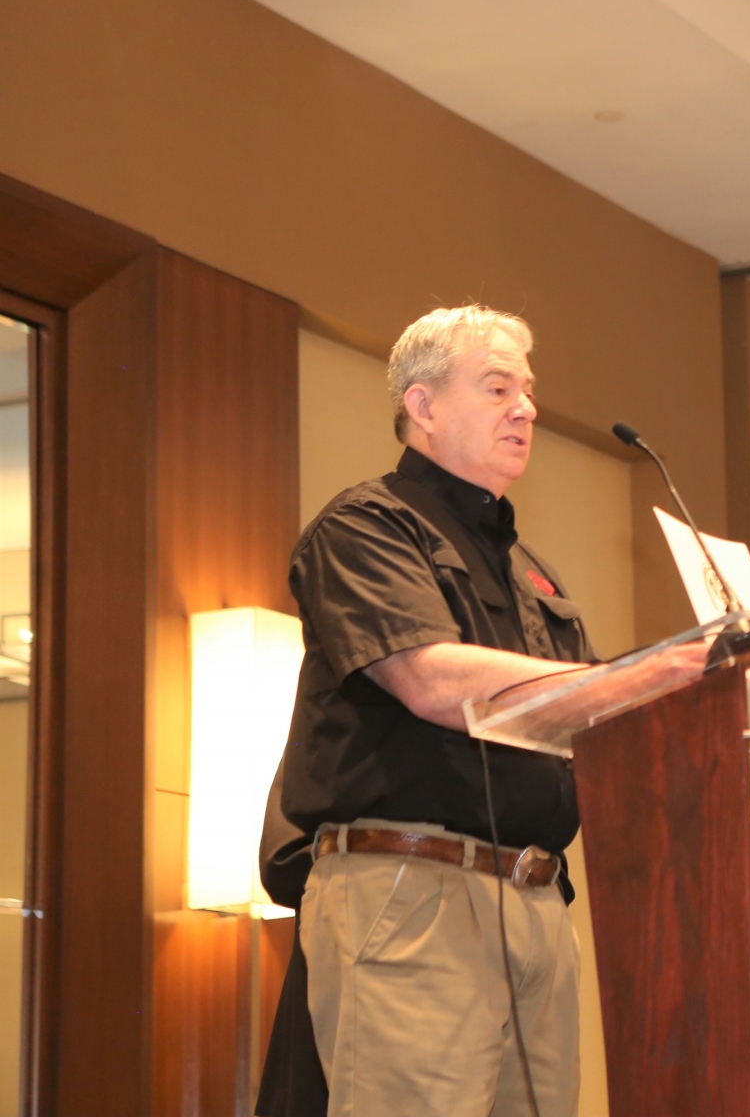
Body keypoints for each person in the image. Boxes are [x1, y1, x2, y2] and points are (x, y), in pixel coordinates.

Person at [255, 305, 703, 1117]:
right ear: (422, 405)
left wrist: (702, 695)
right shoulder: (366, 526)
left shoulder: (531, 569)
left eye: (528, 391)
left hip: (537, 901)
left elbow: (588, 718)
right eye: (498, 388)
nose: (526, 408)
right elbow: (429, 679)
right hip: (414, 892)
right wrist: (642, 674)